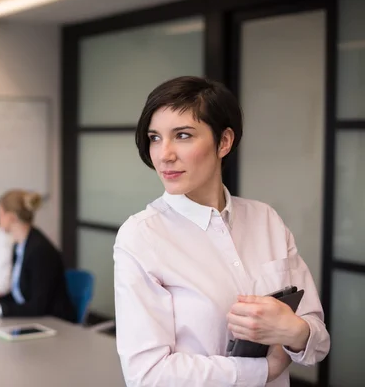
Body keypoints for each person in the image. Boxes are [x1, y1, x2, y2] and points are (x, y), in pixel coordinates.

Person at [114, 76, 330, 386]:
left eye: (183, 135)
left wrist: (292, 330)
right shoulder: (141, 237)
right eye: (155, 137)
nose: (164, 154)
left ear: (224, 142)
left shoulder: (265, 220)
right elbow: (147, 375)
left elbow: (318, 344)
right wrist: (263, 371)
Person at [0, 190, 76, 323]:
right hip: (30, 320)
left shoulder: (40, 251)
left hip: (55, 324)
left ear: (11, 217)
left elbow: (38, 307)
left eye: (0, 215)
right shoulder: (19, 246)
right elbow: (17, 296)